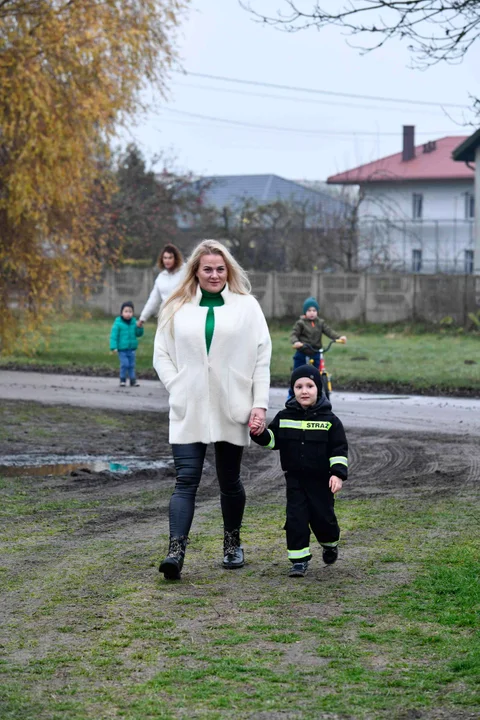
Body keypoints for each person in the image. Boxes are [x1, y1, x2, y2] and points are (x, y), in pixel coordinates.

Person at [154, 239, 272, 580]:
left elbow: (262, 356)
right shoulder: (176, 305)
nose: (214, 274)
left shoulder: (246, 307)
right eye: (207, 268)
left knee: (229, 479)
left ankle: (232, 542)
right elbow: (160, 354)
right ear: (195, 270)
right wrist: (176, 385)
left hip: (231, 404)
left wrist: (259, 405)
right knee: (185, 480)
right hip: (187, 405)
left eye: (220, 269)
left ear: (228, 270)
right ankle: (175, 552)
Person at [250, 365, 348, 578]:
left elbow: (339, 450)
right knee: (296, 519)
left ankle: (330, 545)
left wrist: (337, 474)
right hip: (295, 481)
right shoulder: (284, 417)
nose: (304, 391)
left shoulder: (330, 421)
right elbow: (273, 440)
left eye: (310, 386)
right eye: (299, 386)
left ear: (318, 389)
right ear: (292, 390)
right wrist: (259, 433)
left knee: (324, 520)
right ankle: (298, 561)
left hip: (322, 482)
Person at [290, 296, 347, 372]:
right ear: (305, 312)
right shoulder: (301, 323)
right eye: (309, 310)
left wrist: (339, 337)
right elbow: (294, 334)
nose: (312, 313)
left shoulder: (320, 322)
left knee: (317, 371)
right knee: (298, 371)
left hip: (316, 351)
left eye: (314, 310)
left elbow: (329, 331)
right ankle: (296, 380)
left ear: (317, 312)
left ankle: (318, 381)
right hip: (303, 350)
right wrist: (296, 342)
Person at [137, 243, 186, 328]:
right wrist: (143, 318)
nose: (167, 260)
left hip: (183, 315)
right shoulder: (161, 277)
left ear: (176, 259)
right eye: (165, 258)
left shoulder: (185, 272)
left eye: (170, 257)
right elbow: (153, 299)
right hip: (166, 317)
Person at [110, 301, 144, 387]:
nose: (128, 314)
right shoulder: (118, 324)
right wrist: (113, 347)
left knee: (132, 365)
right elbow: (114, 336)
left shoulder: (134, 323)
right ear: (121, 312)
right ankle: (122, 379)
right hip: (122, 349)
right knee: (125, 364)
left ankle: (133, 380)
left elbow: (138, 334)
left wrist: (139, 327)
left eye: (130, 311)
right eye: (126, 311)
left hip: (131, 349)